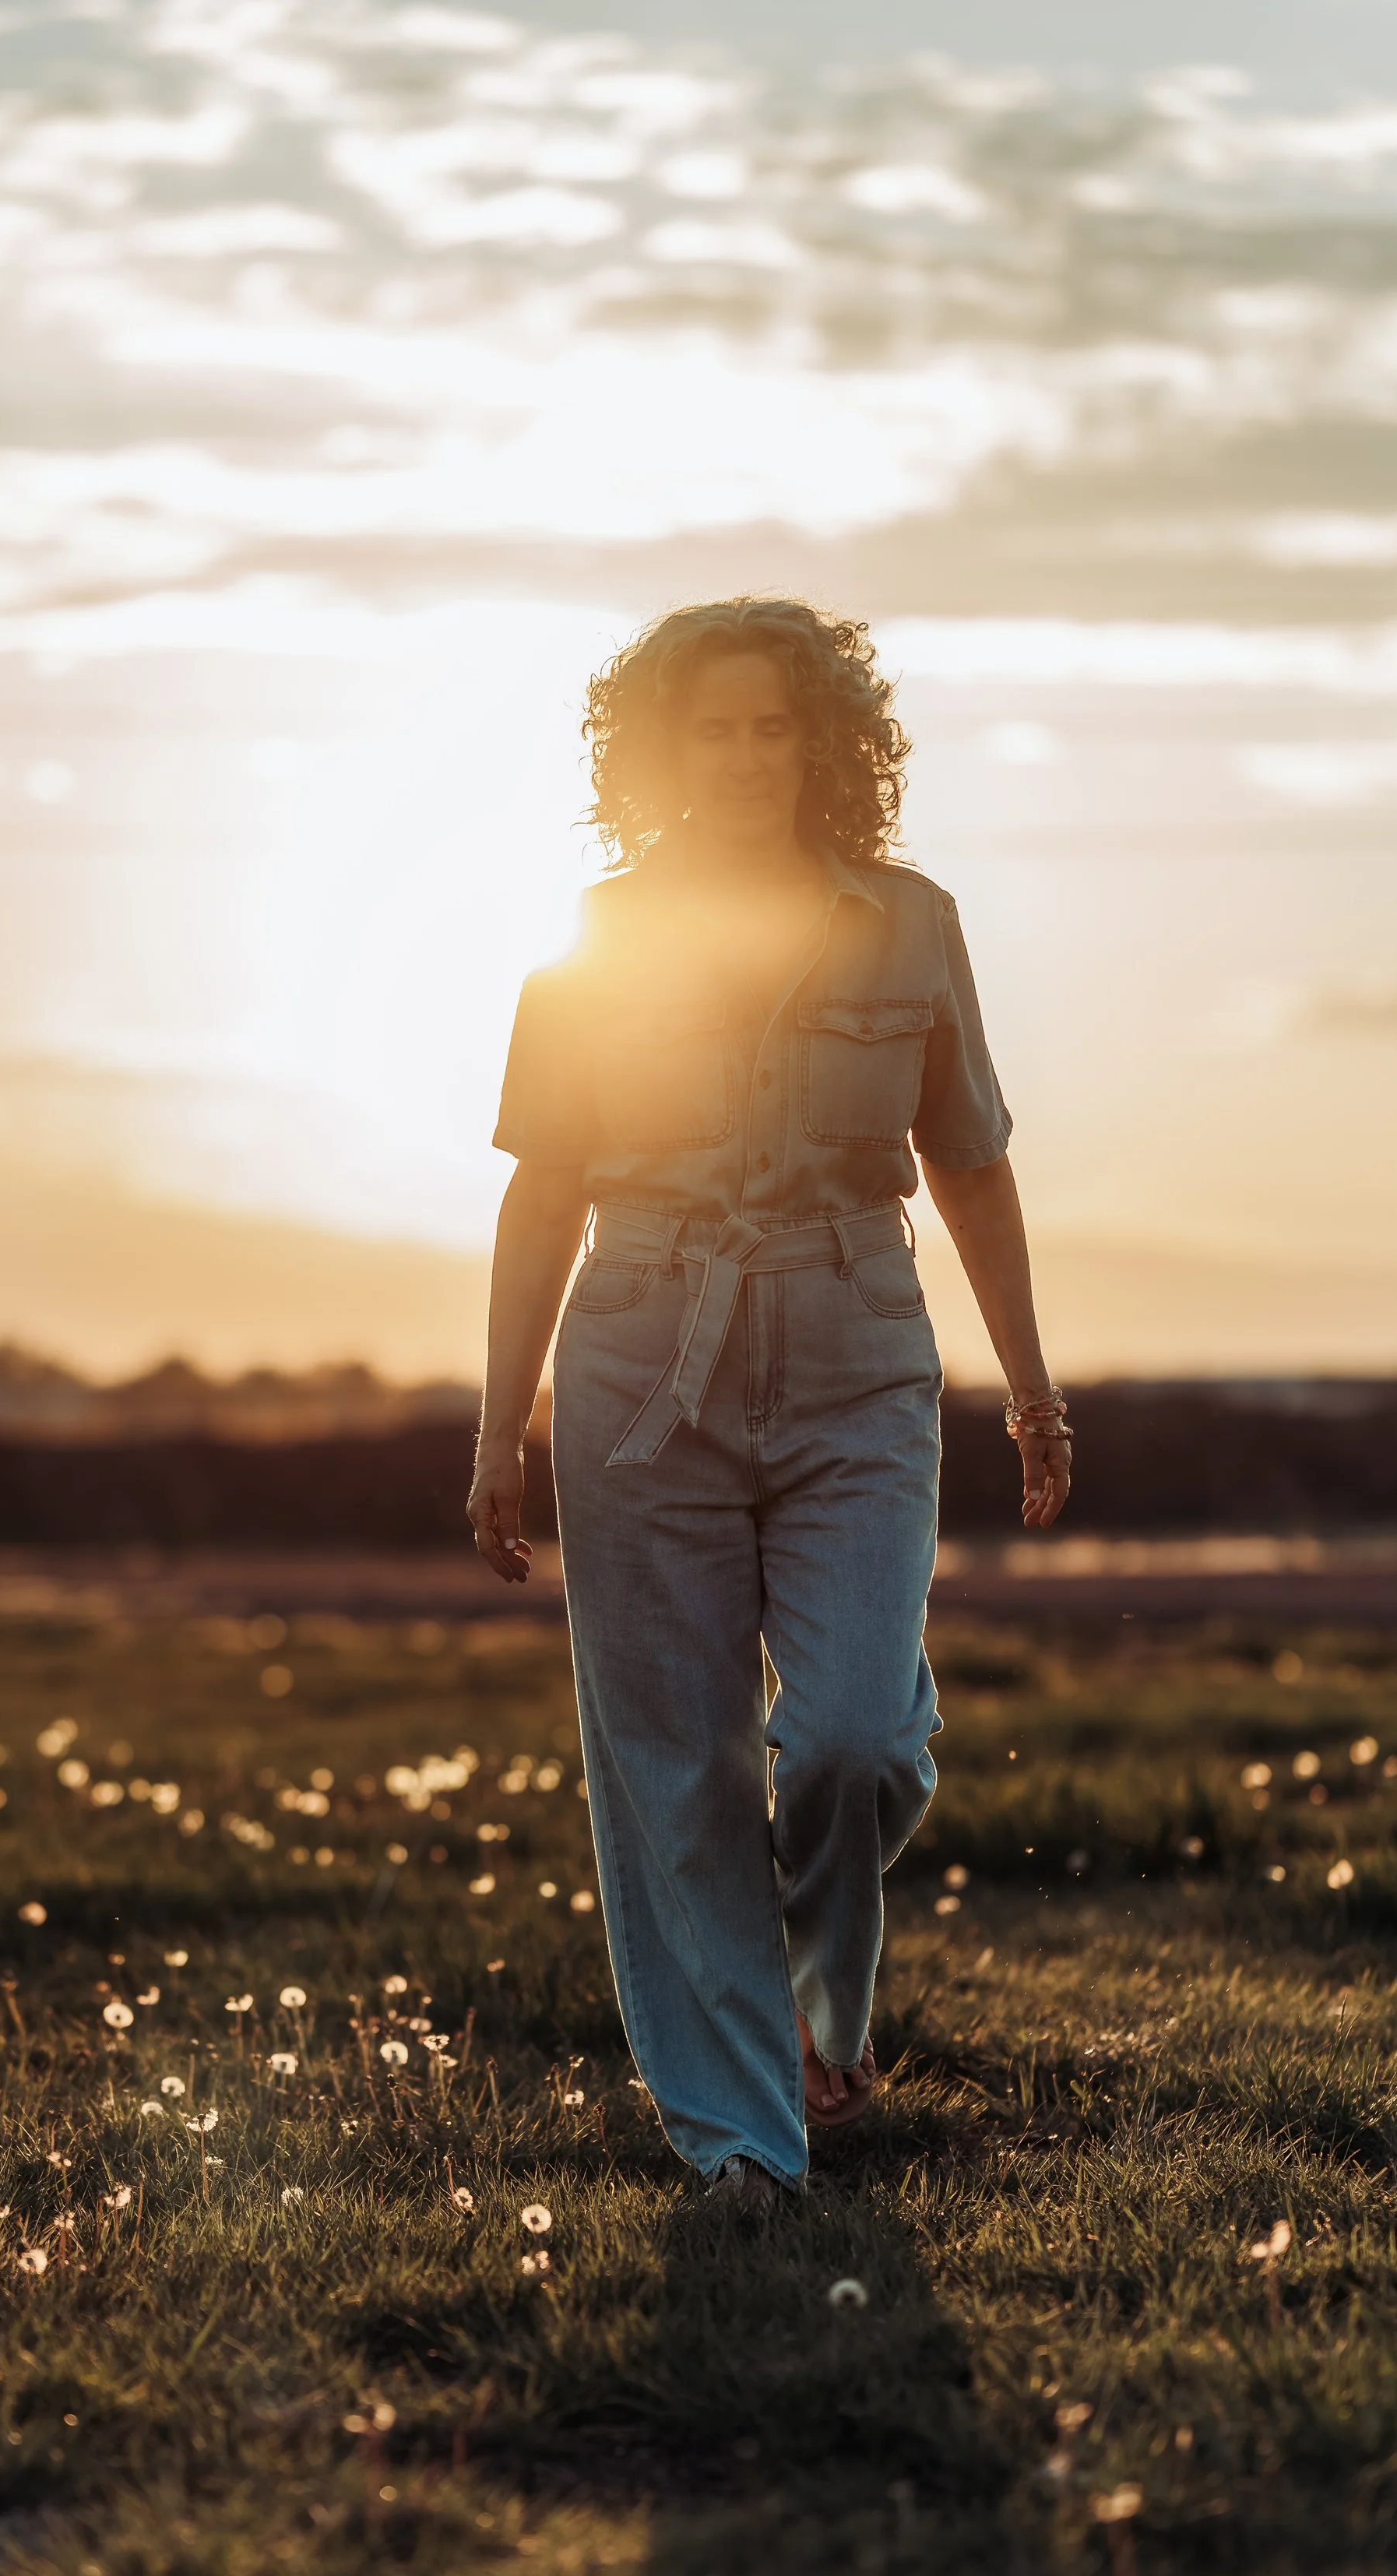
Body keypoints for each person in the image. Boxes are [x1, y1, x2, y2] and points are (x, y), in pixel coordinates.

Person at [466, 596, 1069, 2219]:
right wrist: (495, 1429)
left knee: (858, 1740)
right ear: (660, 752)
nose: (743, 756)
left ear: (825, 742)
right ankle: (741, 2136)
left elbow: (970, 1162)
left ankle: (816, 1988)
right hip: (633, 1351)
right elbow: (543, 1196)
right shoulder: (596, 934)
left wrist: (1027, 1384)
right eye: (710, 729)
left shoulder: (910, 921)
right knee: (670, 1765)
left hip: (855, 1339)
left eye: (772, 724)